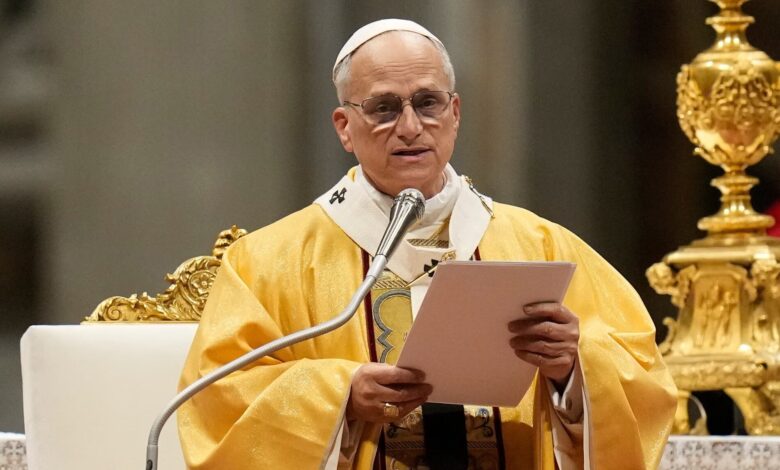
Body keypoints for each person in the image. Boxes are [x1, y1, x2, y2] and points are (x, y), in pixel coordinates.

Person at [178, 19, 677, 470]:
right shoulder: (268, 263)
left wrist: (573, 368)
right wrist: (340, 396)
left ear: (455, 112)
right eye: (383, 108)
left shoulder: (543, 245)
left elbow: (645, 381)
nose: (411, 127)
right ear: (344, 127)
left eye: (428, 103)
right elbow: (216, 404)